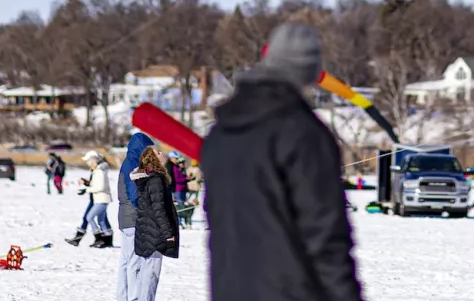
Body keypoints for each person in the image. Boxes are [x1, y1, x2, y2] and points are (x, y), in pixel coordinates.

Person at [199, 22, 361, 301]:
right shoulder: (302, 132)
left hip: (230, 288)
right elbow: (324, 234)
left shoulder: (220, 133)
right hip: (291, 291)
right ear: (310, 71)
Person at [128, 146, 179, 301]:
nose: (162, 154)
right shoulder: (155, 179)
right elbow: (158, 210)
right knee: (151, 275)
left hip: (146, 230)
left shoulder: (147, 178)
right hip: (154, 233)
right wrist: (168, 233)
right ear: (152, 157)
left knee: (146, 272)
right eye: (158, 152)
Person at [116, 132, 155, 298]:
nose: (149, 152)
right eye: (147, 148)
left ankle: (122, 296)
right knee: (135, 261)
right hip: (133, 218)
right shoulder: (133, 165)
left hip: (125, 218)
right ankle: (133, 297)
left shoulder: (127, 162)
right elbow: (134, 195)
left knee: (126, 261)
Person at [69, 151, 114, 248]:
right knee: (101, 220)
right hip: (99, 199)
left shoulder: (99, 172)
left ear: (93, 162)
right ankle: (105, 241)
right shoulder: (97, 171)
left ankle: (98, 238)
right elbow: (95, 184)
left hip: (101, 199)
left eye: (89, 162)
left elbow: (101, 187)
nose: (88, 164)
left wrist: (87, 190)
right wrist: (86, 184)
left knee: (89, 217)